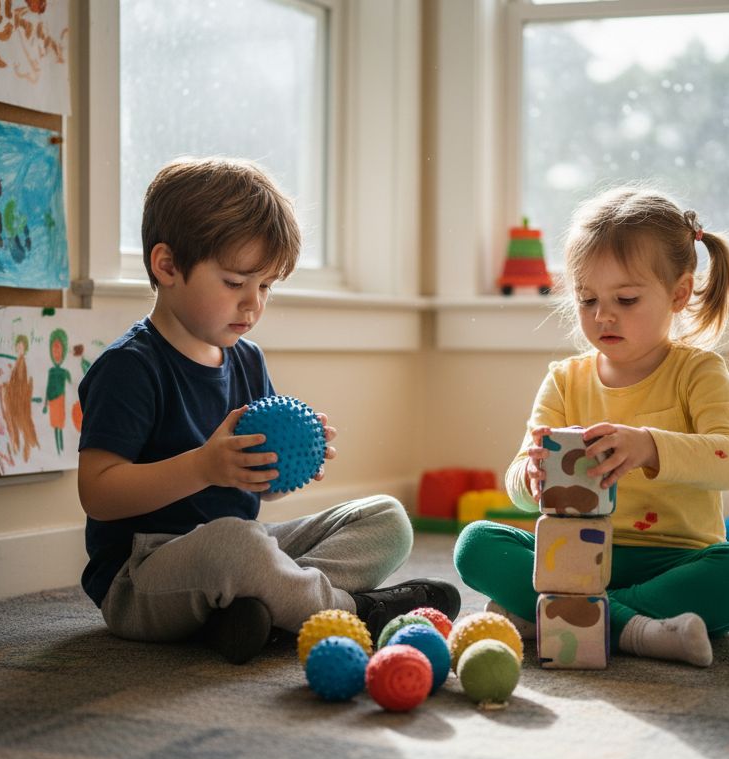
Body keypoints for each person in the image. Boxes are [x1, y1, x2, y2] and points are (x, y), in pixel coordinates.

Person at [77, 157, 459, 664]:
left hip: (242, 550)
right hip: (142, 574)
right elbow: (98, 492)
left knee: (386, 518)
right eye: (236, 283)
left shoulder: (247, 360)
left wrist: (279, 471)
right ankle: (354, 611)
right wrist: (202, 466)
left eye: (265, 287)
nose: (253, 305)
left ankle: (261, 611)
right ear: (167, 265)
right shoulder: (130, 367)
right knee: (238, 547)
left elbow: (256, 487)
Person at [453, 187, 729, 667]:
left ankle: (558, 617)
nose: (603, 315)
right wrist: (532, 477)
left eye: (625, 299)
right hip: (573, 555)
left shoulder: (698, 371)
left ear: (679, 293)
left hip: (676, 559)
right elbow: (520, 480)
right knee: (476, 545)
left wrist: (649, 447)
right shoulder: (565, 380)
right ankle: (638, 630)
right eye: (587, 300)